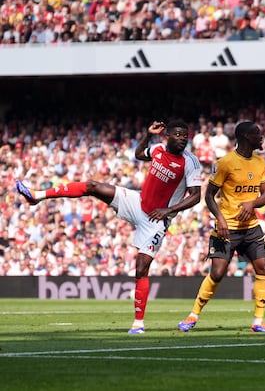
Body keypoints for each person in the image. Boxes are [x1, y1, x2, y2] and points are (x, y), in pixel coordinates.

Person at [16, 120, 202, 334]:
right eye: (177, 134)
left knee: (141, 268)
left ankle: (138, 324)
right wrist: (147, 135)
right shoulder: (158, 149)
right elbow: (139, 154)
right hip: (137, 202)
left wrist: (168, 211)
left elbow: (196, 196)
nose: (182, 138)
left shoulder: (191, 162)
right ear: (167, 135)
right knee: (93, 186)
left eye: (185, 135)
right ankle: (37, 196)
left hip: (156, 219)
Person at [178, 121, 265, 333]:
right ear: (245, 137)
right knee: (218, 273)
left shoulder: (260, 164)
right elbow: (209, 195)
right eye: (256, 134)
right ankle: (193, 315)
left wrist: (252, 203)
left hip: (251, 227)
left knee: (263, 268)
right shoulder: (225, 163)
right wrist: (220, 219)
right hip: (227, 227)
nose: (261, 137)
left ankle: (258, 321)